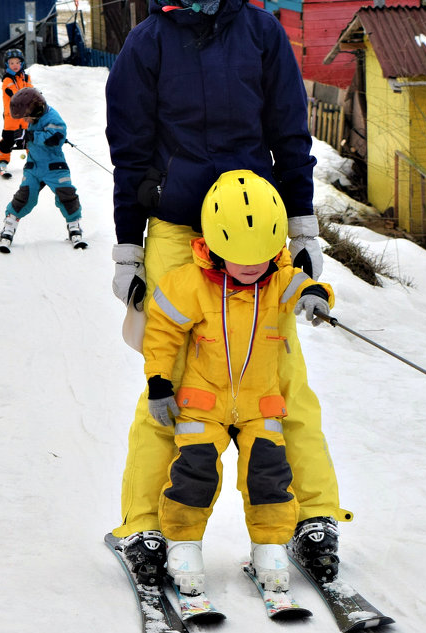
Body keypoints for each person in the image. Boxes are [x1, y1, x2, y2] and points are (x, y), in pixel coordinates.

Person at [103, 0, 351, 589]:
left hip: (257, 236)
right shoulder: (145, 47)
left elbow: (290, 138)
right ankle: (144, 527)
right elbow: (130, 153)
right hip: (181, 230)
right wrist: (129, 249)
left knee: (281, 380)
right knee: (174, 386)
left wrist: (301, 231)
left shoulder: (264, 36)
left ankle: (311, 517)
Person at [143, 170, 335, 595]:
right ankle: (183, 544)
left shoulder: (279, 279)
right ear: (213, 244)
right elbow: (161, 335)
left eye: (260, 257)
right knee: (193, 477)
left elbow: (306, 285)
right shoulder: (188, 284)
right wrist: (159, 381)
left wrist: (317, 296)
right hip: (201, 405)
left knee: (269, 479)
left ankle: (269, 547)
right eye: (240, 257)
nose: (251, 268)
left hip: (260, 407)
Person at [0, 87, 85, 253]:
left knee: (66, 194)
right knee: (24, 196)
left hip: (54, 166)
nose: (27, 121)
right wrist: (21, 140)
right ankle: (9, 226)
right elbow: (30, 138)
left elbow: (55, 138)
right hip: (33, 166)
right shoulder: (34, 119)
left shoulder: (53, 117)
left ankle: (74, 225)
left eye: (27, 117)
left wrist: (31, 137)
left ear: (36, 110)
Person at [0, 48, 31, 178]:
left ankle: (34, 161)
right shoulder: (7, 80)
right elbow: (15, 93)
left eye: (17, 62)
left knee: (29, 139)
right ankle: (1, 161)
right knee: (8, 140)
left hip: (26, 116)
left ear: (22, 64)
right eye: (12, 63)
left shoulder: (26, 77)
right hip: (12, 117)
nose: (15, 65)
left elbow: (30, 90)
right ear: (7, 65)